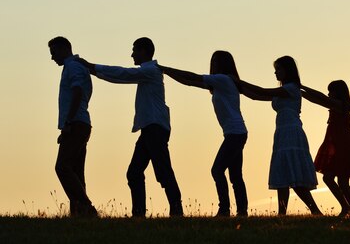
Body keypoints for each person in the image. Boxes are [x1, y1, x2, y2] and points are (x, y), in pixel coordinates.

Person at [80, 37, 183, 218]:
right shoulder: (149, 72)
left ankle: (175, 210)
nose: (132, 54)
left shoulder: (150, 70)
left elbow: (124, 74)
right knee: (135, 172)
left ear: (144, 51)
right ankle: (139, 214)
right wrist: (94, 70)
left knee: (162, 171)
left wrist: (93, 68)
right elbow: (123, 76)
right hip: (150, 128)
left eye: (135, 50)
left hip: (154, 128)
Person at [159, 51, 249, 217]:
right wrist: (168, 73)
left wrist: (166, 68)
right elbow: (189, 81)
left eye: (216, 61)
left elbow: (193, 76)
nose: (213, 64)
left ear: (223, 64)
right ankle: (241, 211)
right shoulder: (218, 83)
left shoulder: (223, 79)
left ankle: (225, 210)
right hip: (235, 132)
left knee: (217, 170)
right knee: (235, 175)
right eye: (212, 60)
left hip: (235, 133)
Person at [236, 56, 322, 215]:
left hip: (291, 131)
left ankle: (313, 211)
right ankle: (284, 213)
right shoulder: (282, 92)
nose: (276, 73)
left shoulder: (291, 88)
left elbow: (261, 91)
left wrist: (238, 81)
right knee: (284, 172)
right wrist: (236, 86)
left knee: (292, 173)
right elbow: (256, 96)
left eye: (279, 69)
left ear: (287, 70)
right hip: (282, 132)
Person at [48, 36, 98, 217]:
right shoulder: (75, 67)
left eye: (53, 52)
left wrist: (68, 122)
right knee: (76, 171)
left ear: (63, 49)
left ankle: (87, 207)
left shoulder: (73, 66)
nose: (52, 58)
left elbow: (78, 91)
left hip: (77, 124)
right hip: (80, 123)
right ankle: (79, 214)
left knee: (62, 167)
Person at [301, 81, 350, 216]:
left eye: (331, 91)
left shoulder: (341, 105)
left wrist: (302, 88)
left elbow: (321, 98)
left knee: (339, 181)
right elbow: (319, 99)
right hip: (340, 147)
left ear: (338, 93)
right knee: (334, 180)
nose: (329, 94)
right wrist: (301, 92)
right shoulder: (336, 106)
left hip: (346, 147)